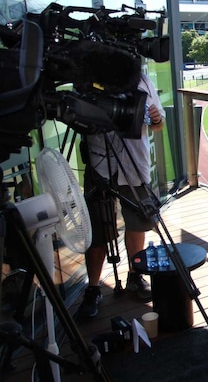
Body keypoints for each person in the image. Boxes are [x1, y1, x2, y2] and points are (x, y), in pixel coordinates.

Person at [76, 73, 165, 318]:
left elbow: (158, 124)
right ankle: (93, 288)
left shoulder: (142, 80)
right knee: (97, 231)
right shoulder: (89, 80)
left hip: (134, 164)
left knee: (137, 223)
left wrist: (156, 118)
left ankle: (135, 275)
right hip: (100, 164)